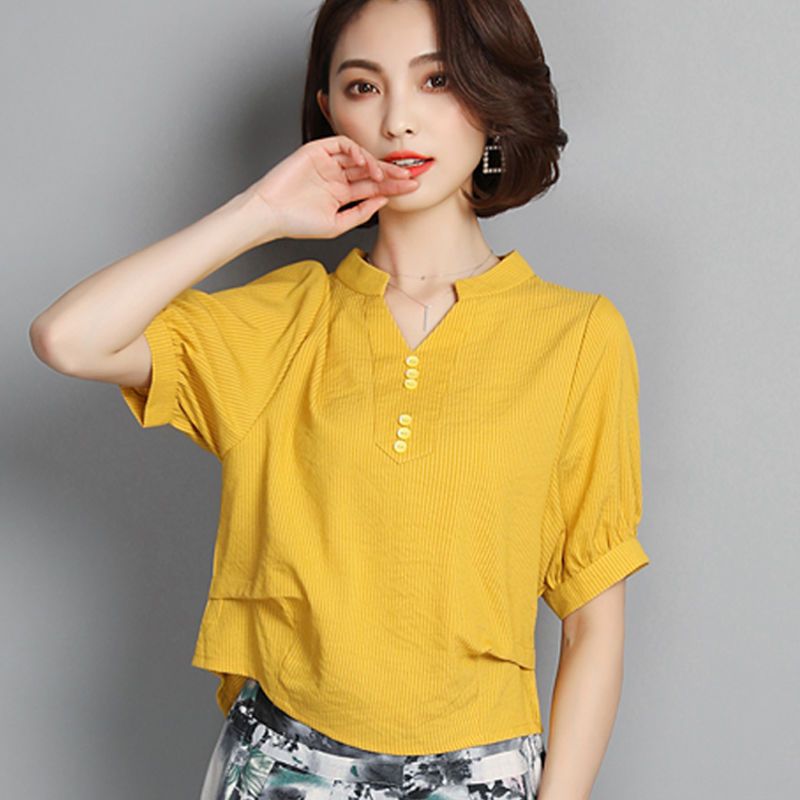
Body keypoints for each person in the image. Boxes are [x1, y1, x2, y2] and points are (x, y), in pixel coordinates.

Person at [29, 0, 651, 798]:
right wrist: (261, 212)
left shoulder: (578, 336)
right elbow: (69, 339)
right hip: (282, 768)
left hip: (481, 772)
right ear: (329, 113)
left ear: (491, 96)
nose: (398, 120)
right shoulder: (284, 321)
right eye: (364, 87)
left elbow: (594, 620)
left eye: (436, 80)